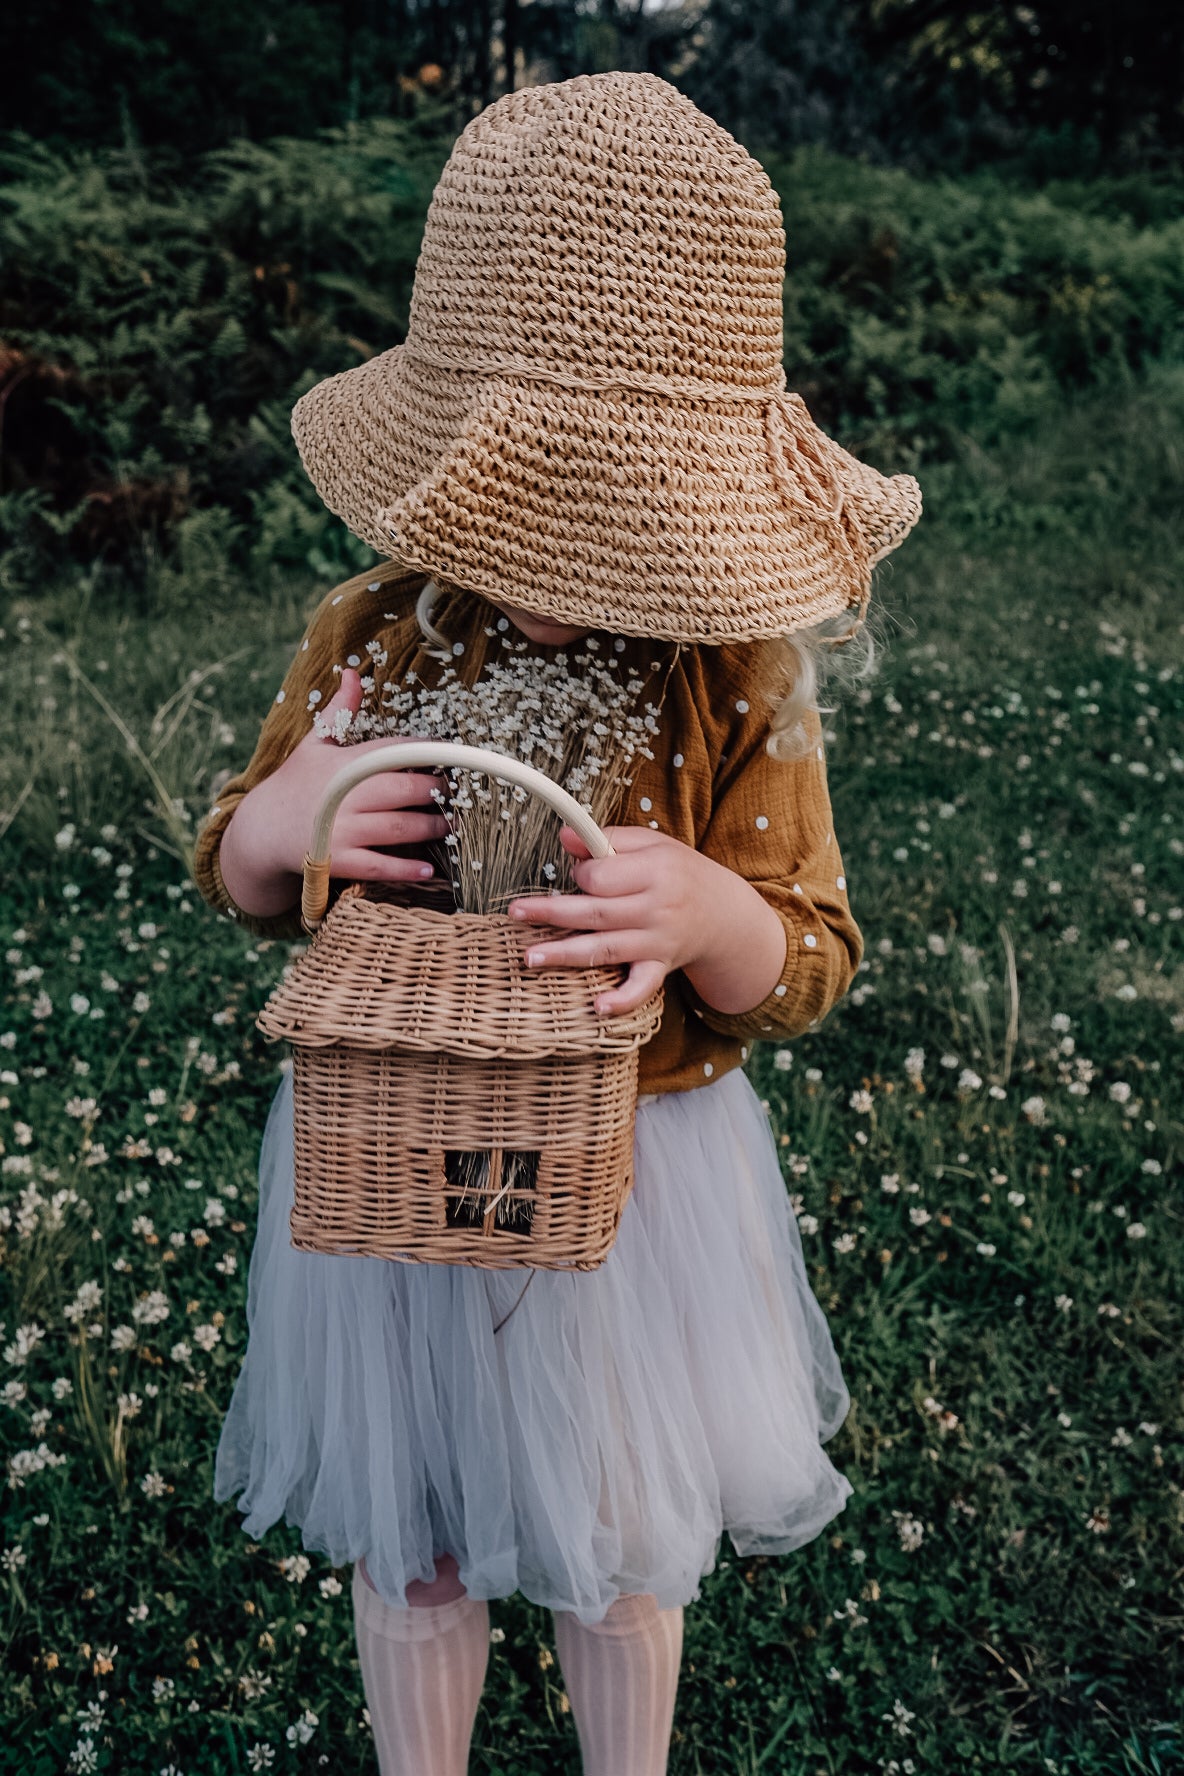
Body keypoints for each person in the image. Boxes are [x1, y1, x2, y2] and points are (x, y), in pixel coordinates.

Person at [192, 71, 920, 1776]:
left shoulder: (730, 676)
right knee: (414, 1530)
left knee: (619, 1527)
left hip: (630, 1190)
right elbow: (245, 870)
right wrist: (285, 824)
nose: (552, 573)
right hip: (391, 1173)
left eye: (605, 525)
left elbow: (808, 956)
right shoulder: (376, 633)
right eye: (522, 512)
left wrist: (714, 913)